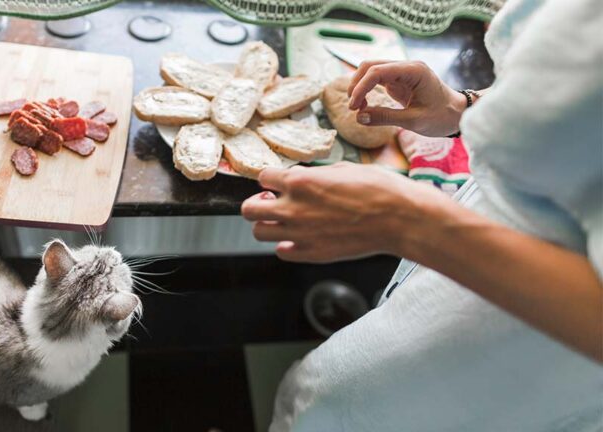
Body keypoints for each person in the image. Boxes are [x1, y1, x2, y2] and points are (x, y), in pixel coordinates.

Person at [241, 0, 603, 430]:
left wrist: (410, 222)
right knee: (323, 398)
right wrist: (464, 109)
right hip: (468, 267)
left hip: (533, 358)